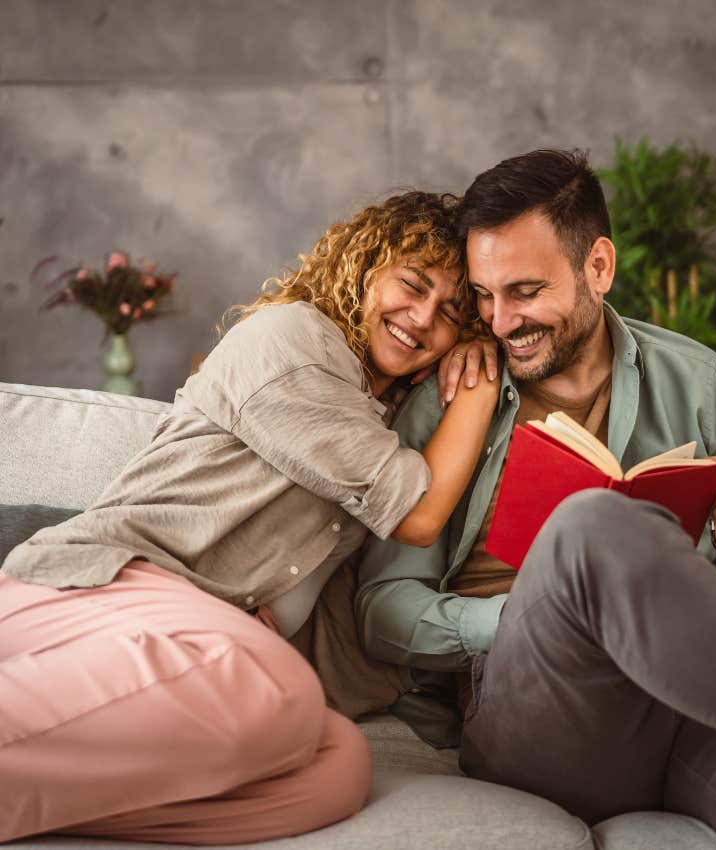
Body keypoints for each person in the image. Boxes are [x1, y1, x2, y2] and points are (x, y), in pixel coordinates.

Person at [356, 151, 716, 849]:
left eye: (525, 291)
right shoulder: (452, 397)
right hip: (535, 715)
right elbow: (381, 612)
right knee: (592, 523)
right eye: (484, 295)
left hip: (692, 712)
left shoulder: (700, 383)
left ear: (598, 267)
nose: (499, 321)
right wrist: (542, 615)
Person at [0, 191, 500, 844]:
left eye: (452, 315)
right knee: (282, 692)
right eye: (412, 285)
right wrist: (482, 384)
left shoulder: (375, 410)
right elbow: (419, 515)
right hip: (109, 587)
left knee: (337, 766)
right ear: (362, 265)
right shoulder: (292, 341)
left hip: (208, 641)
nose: (423, 317)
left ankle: (42, 796)